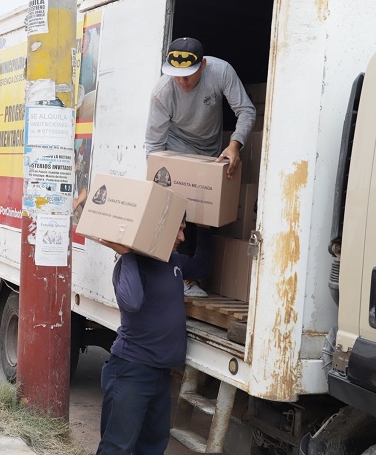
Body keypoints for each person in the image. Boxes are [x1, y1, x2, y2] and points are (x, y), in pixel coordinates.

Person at [145, 37, 256, 297]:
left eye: (188, 76)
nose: (182, 83)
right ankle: (178, 278)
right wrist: (156, 183)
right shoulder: (163, 92)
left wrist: (235, 144)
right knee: (178, 212)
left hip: (211, 150)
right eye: (176, 76)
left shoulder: (220, 72)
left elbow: (246, 110)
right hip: (176, 148)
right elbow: (153, 145)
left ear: (202, 65)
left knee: (206, 217)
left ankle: (196, 276)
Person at [96, 218, 212, 455]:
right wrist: (127, 255)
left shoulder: (174, 261)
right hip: (132, 369)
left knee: (153, 446)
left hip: (161, 373)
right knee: (117, 447)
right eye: (177, 230)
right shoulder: (131, 264)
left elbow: (201, 267)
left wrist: (205, 230)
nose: (182, 238)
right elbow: (132, 302)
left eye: (184, 230)